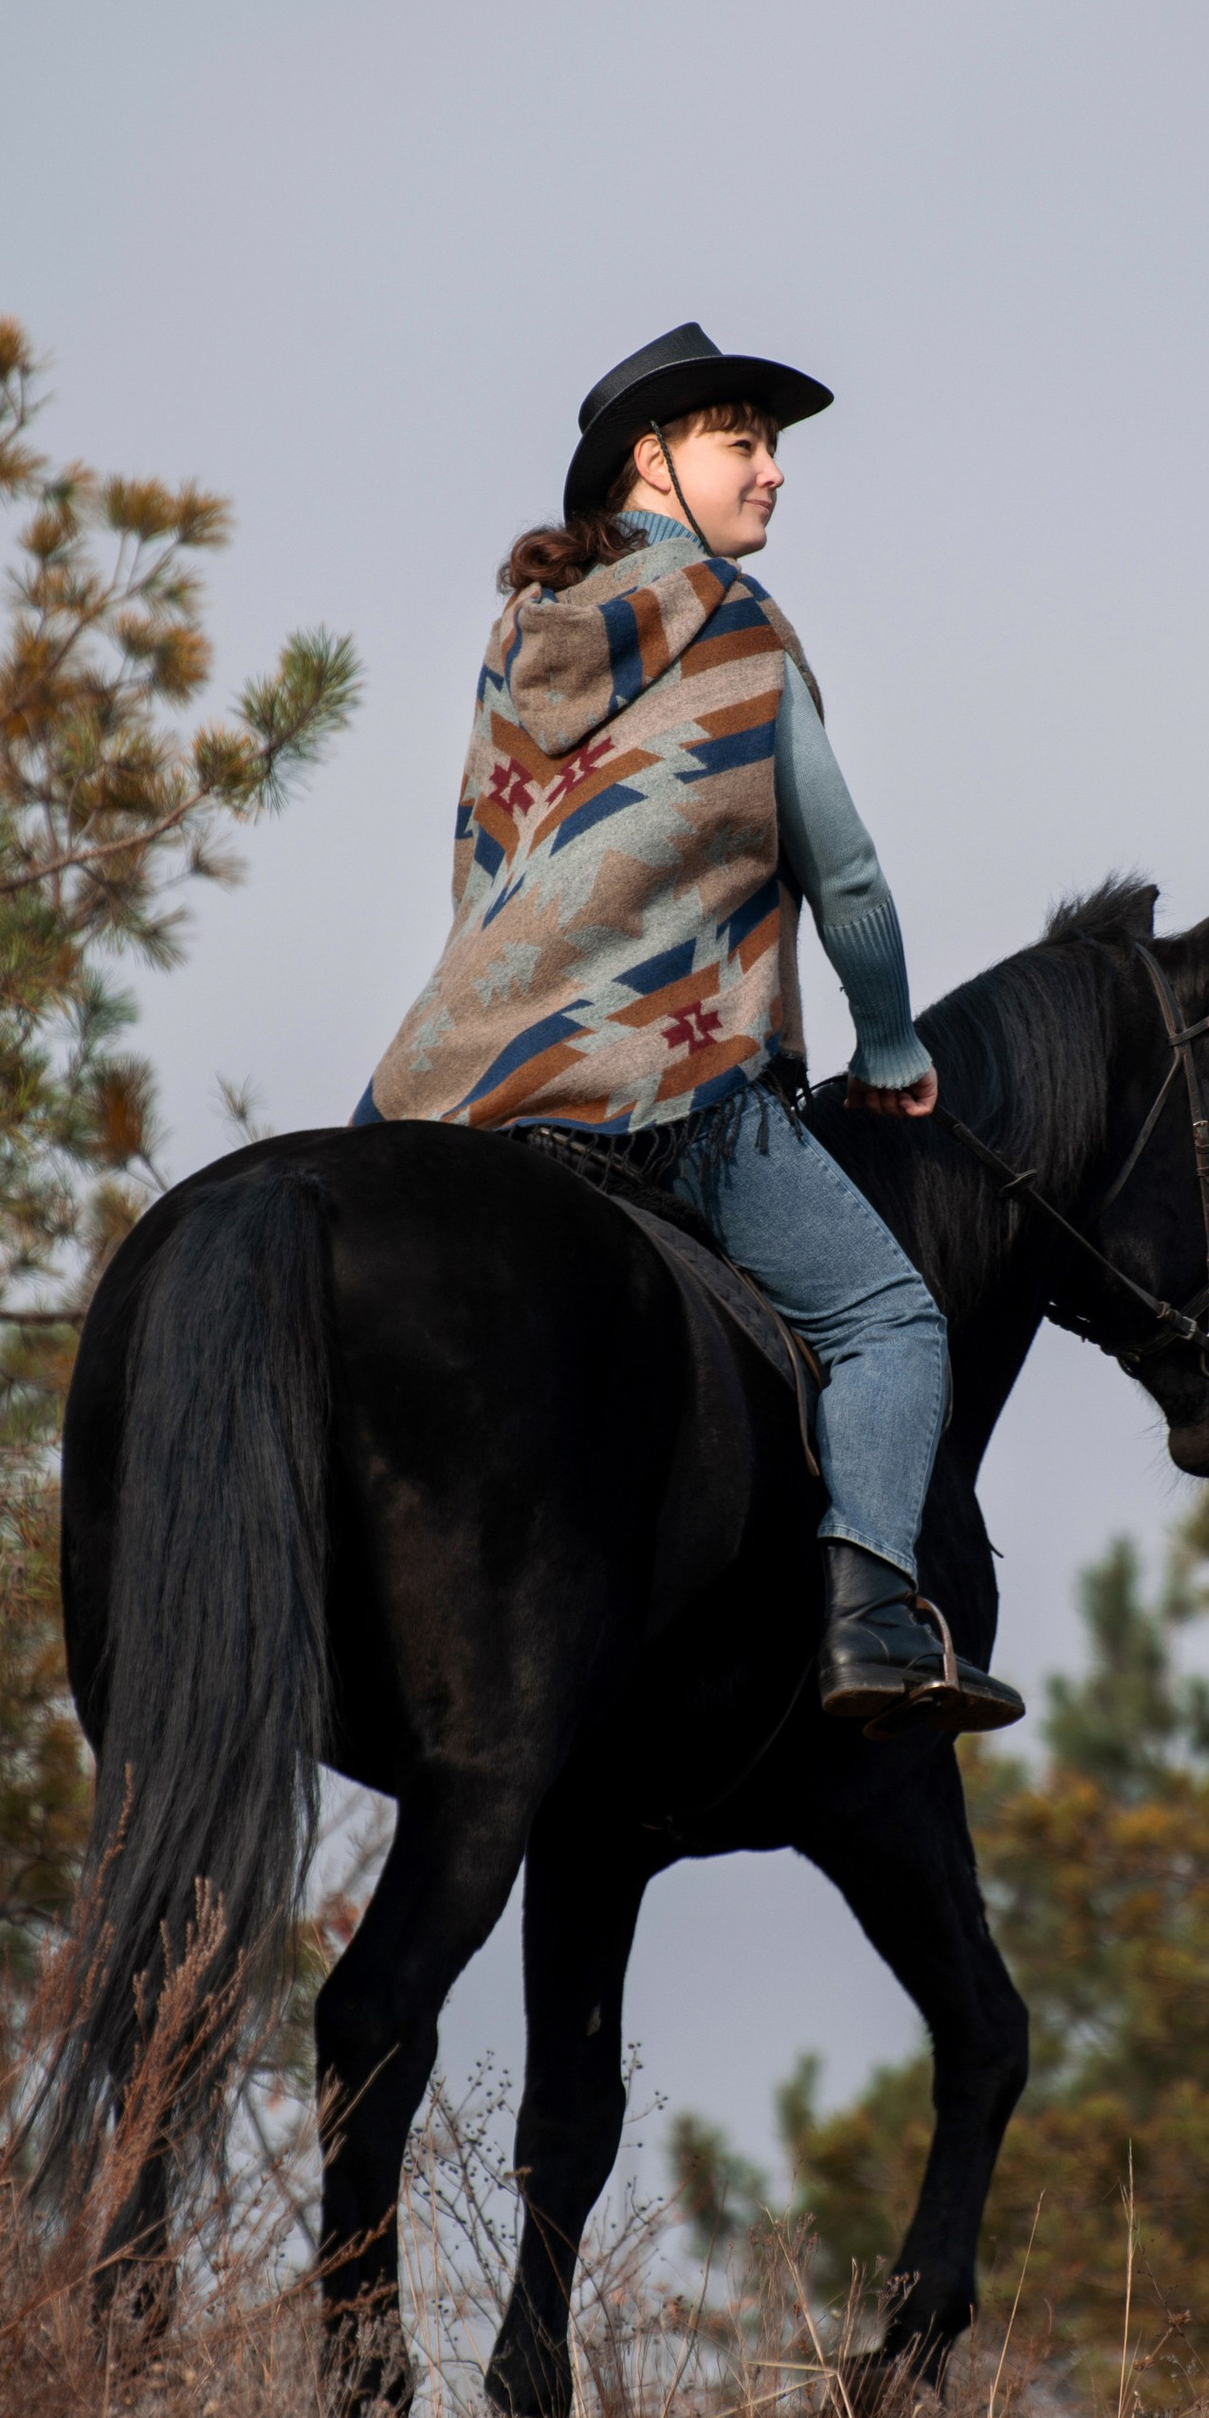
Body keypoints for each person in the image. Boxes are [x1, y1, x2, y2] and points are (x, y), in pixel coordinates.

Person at [358, 321, 1021, 1736]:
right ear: (651, 464)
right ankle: (876, 1623)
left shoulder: (512, 653)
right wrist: (892, 1044)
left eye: (773, 446)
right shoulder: (735, 625)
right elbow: (844, 875)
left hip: (458, 1089)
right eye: (745, 442)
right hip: (666, 1085)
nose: (775, 473)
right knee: (894, 1322)